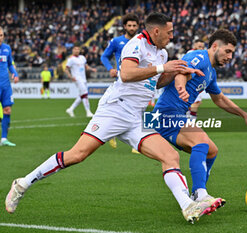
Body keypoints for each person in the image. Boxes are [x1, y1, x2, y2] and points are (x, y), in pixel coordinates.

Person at [5, 12, 220, 224]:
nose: (171, 36)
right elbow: (126, 74)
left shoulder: (161, 53)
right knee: (77, 155)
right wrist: (165, 67)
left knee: (170, 156)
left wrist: (177, 70)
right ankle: (23, 184)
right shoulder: (136, 44)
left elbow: (156, 81)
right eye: (169, 32)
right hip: (115, 110)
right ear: (156, 31)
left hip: (136, 117)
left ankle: (187, 206)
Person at [153, 29, 247, 205]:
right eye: (228, 51)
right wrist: (181, 89)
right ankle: (201, 194)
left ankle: (197, 193)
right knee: (200, 141)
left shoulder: (211, 73)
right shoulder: (199, 57)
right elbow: (181, 72)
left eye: (232, 53)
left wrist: (244, 115)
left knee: (211, 151)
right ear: (215, 46)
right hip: (166, 113)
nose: (230, 56)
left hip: (175, 115)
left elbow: (220, 99)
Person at [100, 13, 139, 151]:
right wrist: (110, 68)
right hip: (122, 80)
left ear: (138, 26)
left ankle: (139, 141)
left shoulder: (142, 42)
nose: (132, 28)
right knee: (116, 108)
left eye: (134, 25)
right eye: (129, 25)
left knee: (141, 108)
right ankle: (111, 133)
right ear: (124, 26)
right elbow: (104, 56)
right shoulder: (117, 41)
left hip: (140, 80)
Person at [65, 44, 97, 118]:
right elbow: (66, 69)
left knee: (82, 95)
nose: (77, 50)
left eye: (78, 49)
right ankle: (88, 112)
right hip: (77, 79)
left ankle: (71, 109)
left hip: (83, 79)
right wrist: (70, 76)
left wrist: (92, 69)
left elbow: (86, 66)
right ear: (73, 50)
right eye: (75, 49)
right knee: (85, 94)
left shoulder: (82, 58)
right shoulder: (71, 59)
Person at [0, 27, 19, 147]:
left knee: (7, 110)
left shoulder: (7, 48)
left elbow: (10, 64)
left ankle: (3, 139)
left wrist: (15, 74)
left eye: (1, 35)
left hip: (5, 85)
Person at [186, 39, 206, 120]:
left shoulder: (203, 55)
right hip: (191, 82)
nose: (201, 48)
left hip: (198, 82)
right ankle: (191, 121)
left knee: (196, 102)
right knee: (195, 102)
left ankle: (189, 119)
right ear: (194, 46)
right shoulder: (191, 53)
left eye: (202, 47)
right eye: (199, 46)